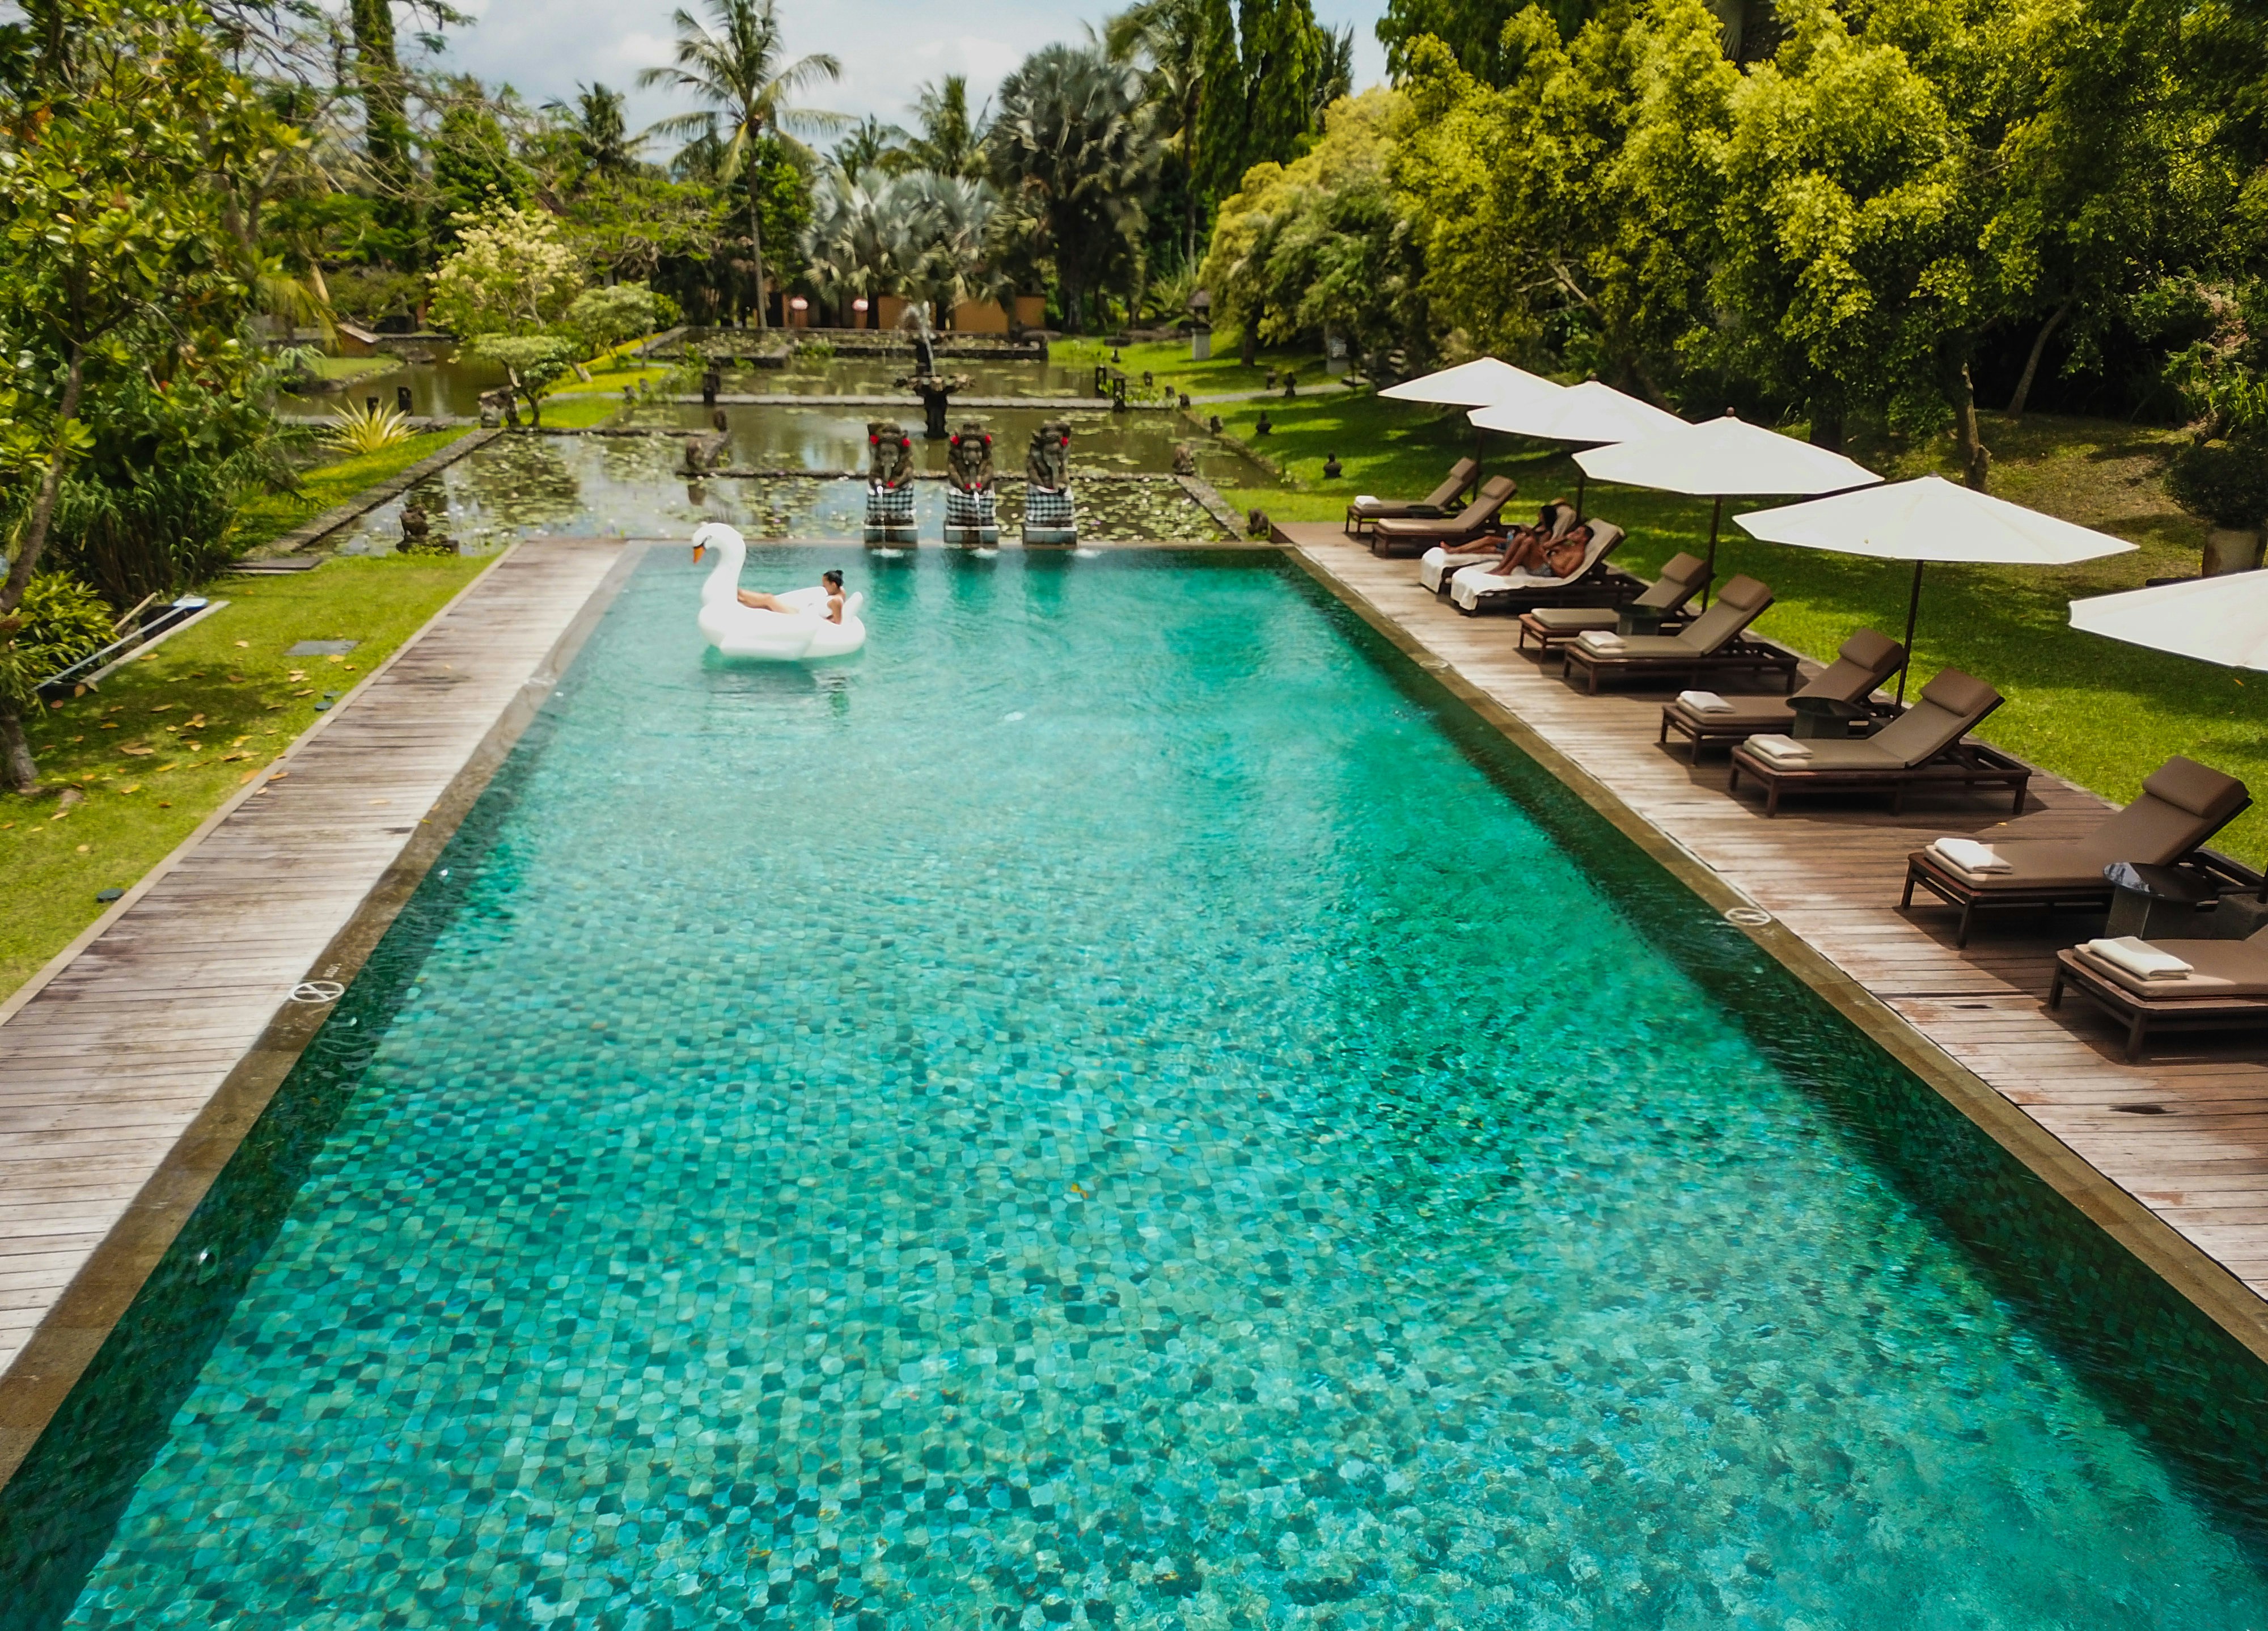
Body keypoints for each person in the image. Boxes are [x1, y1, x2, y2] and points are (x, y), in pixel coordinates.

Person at [1484, 521, 1592, 579]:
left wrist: (1547, 560)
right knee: (1521, 537)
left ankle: (1507, 570)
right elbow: (1545, 546)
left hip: (1546, 571)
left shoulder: (1578, 555)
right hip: (1539, 564)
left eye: (1577, 533)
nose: (1573, 534)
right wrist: (1564, 538)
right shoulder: (1567, 547)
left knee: (1530, 541)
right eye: (1574, 532)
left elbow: (1564, 574)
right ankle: (1501, 567)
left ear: (1585, 539)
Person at [739, 569, 847, 623]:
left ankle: (739, 595)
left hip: (801, 619)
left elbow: (837, 623)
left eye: (825, 585)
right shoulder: (840, 592)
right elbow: (841, 592)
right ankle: (740, 599)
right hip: (802, 613)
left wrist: (821, 621)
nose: (822, 587)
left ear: (833, 585)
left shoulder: (836, 601)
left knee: (769, 599)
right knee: (766, 605)